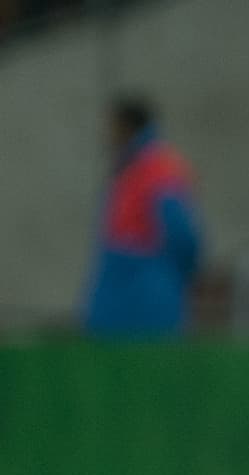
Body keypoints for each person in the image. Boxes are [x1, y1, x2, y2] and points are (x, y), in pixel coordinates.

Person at [83, 94, 203, 337]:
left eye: (111, 126)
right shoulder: (129, 167)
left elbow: (183, 236)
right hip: (127, 296)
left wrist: (165, 278)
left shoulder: (157, 167)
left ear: (127, 126)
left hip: (145, 300)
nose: (106, 135)